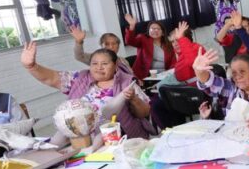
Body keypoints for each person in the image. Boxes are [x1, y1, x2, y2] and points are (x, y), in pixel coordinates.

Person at [21, 41, 152, 138]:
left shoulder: (127, 82)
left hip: (120, 137)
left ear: (115, 65)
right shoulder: (79, 78)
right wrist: (31, 66)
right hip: (82, 139)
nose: (99, 67)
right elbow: (51, 78)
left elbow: (144, 113)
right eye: (94, 63)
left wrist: (134, 99)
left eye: (104, 64)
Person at [123, 14, 177, 81]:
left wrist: (169, 74)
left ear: (163, 33)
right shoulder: (143, 39)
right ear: (148, 31)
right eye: (152, 29)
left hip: (164, 75)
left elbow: (173, 63)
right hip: (145, 76)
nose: (155, 30)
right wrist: (132, 26)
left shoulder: (169, 45)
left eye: (158, 29)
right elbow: (129, 41)